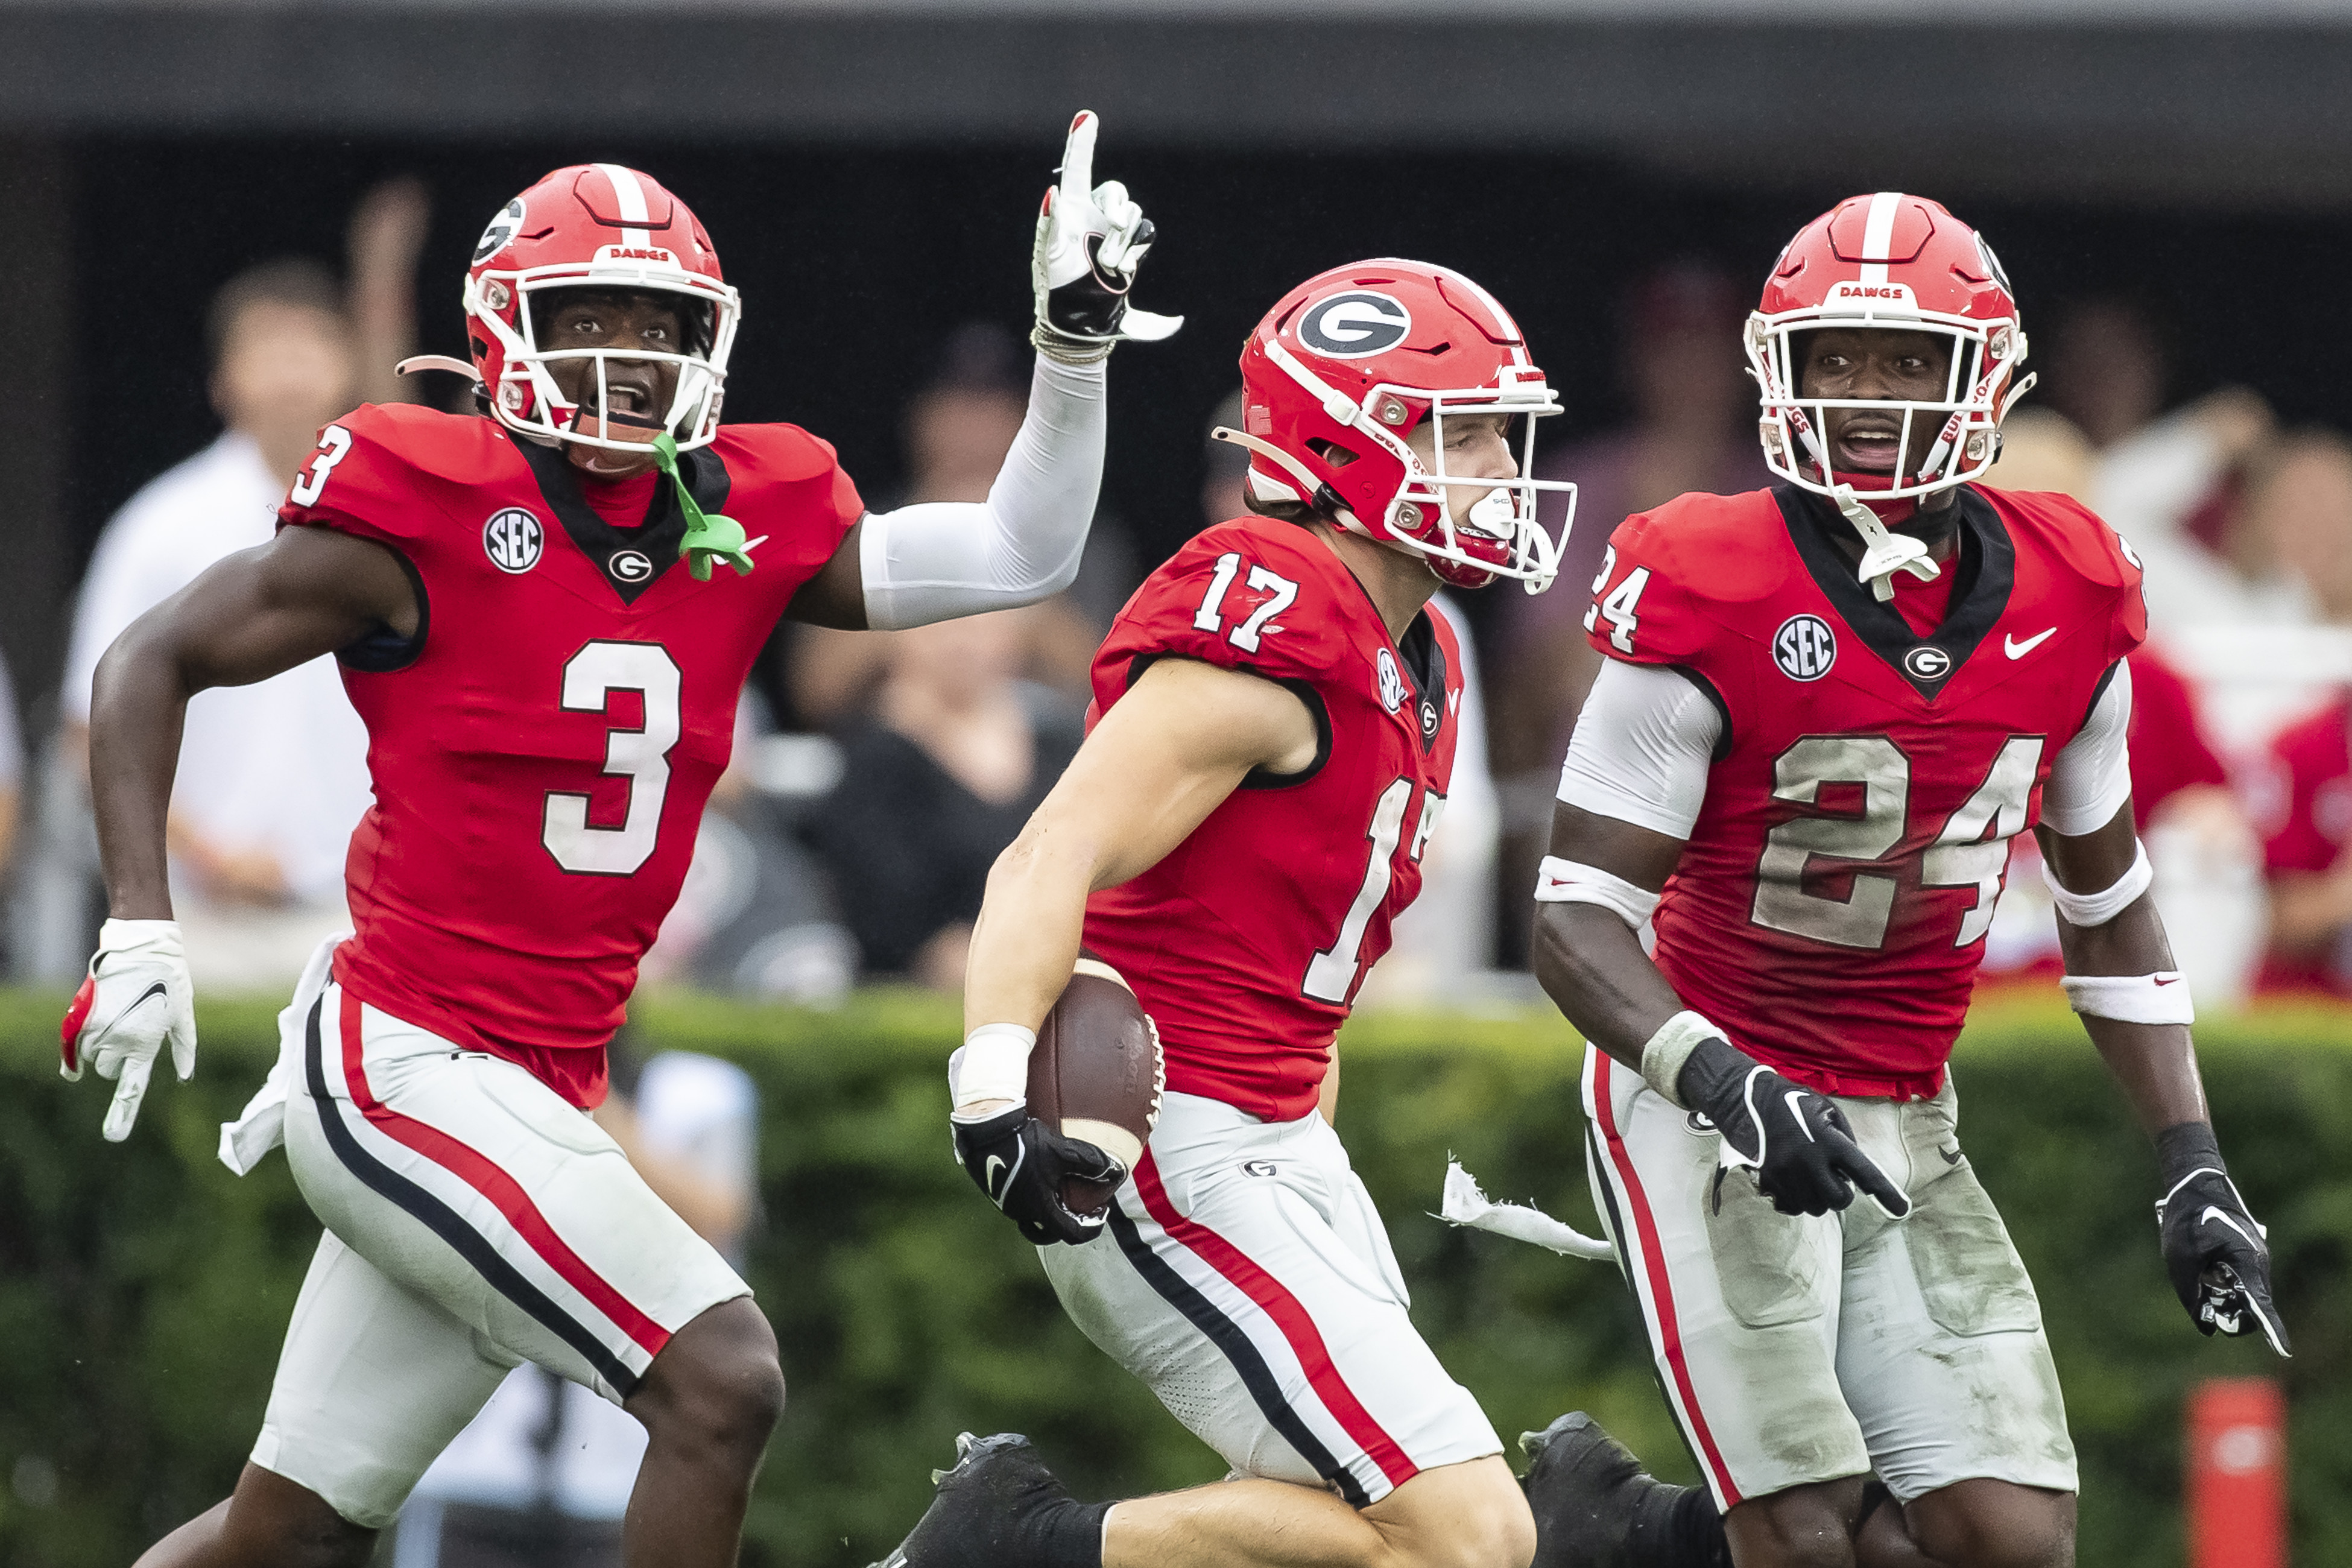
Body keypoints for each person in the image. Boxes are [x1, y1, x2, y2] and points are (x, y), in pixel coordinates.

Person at [65, 119, 1177, 1568]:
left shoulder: (747, 504)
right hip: (403, 1057)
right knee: (724, 1378)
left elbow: (1017, 552)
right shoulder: (432, 494)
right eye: (581, 317)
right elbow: (146, 660)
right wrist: (139, 922)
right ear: (501, 331)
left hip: (536, 1077)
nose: (622, 356)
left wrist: (1072, 356)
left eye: (655, 325)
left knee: (287, 1537)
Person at [1520, 194, 2286, 1568]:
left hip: (1901, 1107)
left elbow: (2108, 910)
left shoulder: (2073, 586)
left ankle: (1632, 1534)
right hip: (1701, 1095)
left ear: (1984, 374)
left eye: (1902, 360)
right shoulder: (1706, 574)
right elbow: (1574, 916)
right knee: (1810, 1536)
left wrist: (2193, 1161)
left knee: (2006, 1535)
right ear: (1778, 370)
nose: (1864, 397)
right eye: (1836, 360)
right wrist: (1721, 1080)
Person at [874, 260, 1572, 1568]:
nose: (1498, 464)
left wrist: (1317, 1157)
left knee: (1379, 1536)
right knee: (1471, 1535)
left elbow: (1308, 969)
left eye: (1497, 430)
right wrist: (989, 1093)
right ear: (1338, 444)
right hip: (1165, 1137)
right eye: (1459, 432)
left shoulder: (1417, 648)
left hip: (1280, 1138)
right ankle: (1014, 1547)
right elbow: (1048, 853)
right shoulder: (1277, 613)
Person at [56, 180, 429, 988]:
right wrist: (197, 862)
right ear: (223, 377)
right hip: (207, 920)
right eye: (269, 349)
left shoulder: (399, 517)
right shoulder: (158, 525)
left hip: (371, 913)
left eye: (312, 347)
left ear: (346, 367)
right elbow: (92, 723)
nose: (293, 373)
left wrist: (382, 270)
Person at [394, 1042, 760, 1567]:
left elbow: (717, 1217)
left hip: (621, 1471)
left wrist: (577, 1099)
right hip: (477, 1463)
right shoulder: (458, 1075)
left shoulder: (697, 1093)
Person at [801, 606, 1085, 989]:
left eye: (982, 625)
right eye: (946, 626)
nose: (964, 642)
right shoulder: (874, 761)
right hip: (927, 992)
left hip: (1066, 965)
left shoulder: (1060, 742)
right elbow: (891, 916)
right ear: (901, 635)